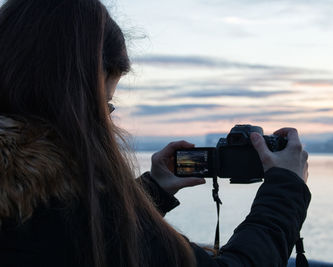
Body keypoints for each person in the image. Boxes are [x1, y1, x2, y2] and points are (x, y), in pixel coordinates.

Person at [0, 0, 311, 266]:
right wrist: (287, 189)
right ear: (76, 99)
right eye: (104, 106)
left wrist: (152, 190)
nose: (106, 123)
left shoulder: (34, 202)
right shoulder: (73, 212)